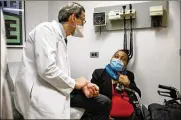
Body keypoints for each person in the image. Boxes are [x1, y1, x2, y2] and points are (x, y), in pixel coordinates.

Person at [14, 2, 110, 119]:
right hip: (40, 96)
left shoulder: (61, 38)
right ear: (73, 18)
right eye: (83, 21)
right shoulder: (46, 30)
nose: (83, 25)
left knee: (103, 102)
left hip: (56, 88)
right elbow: (47, 69)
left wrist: (81, 86)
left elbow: (57, 71)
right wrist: (75, 83)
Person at [91, 49, 141, 120]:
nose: (118, 60)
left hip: (127, 115)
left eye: (123, 59)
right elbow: (93, 96)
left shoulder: (129, 75)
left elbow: (138, 97)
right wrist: (105, 113)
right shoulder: (99, 73)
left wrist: (128, 84)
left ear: (126, 64)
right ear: (112, 58)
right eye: (116, 56)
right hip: (105, 114)